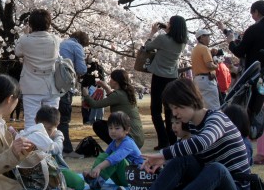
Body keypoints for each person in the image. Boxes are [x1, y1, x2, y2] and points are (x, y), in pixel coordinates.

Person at [142, 78, 250, 190]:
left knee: (217, 169)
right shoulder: (193, 125)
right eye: (172, 108)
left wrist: (164, 154)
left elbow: (203, 142)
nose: (174, 113)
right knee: (183, 159)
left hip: (236, 187)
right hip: (215, 185)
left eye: (176, 107)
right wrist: (166, 161)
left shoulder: (217, 118)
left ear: (189, 100)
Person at [226, 0, 264, 165]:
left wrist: (231, 41)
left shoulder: (255, 29)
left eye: (252, 13)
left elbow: (239, 50)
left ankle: (262, 153)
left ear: (256, 12)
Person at [144, 16, 188, 150]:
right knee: (170, 109)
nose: (167, 24)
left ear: (172, 25)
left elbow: (147, 47)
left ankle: (163, 141)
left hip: (159, 76)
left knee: (155, 110)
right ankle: (172, 139)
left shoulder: (163, 39)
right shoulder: (182, 42)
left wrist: (152, 32)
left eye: (169, 23)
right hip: (172, 77)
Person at [15, 9, 61, 129]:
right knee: (52, 123)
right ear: (48, 24)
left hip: (31, 86)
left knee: (30, 122)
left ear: (31, 24)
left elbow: (17, 52)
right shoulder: (55, 40)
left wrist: (25, 34)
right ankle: (51, 146)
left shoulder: (25, 40)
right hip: (51, 86)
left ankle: (32, 147)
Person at [82, 69, 144, 148]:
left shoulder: (118, 95)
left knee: (98, 125)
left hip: (131, 139)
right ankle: (118, 146)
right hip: (137, 137)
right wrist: (106, 87)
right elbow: (114, 97)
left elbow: (95, 105)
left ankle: (117, 147)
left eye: (111, 79)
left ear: (116, 81)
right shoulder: (126, 93)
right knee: (111, 125)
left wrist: (86, 95)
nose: (109, 81)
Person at [82, 111, 143, 190]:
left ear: (127, 130)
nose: (113, 131)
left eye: (117, 128)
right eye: (110, 128)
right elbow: (105, 156)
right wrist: (94, 169)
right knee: (104, 156)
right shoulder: (114, 142)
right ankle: (94, 177)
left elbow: (115, 158)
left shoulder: (128, 143)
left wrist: (99, 167)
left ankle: (96, 181)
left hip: (135, 178)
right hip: (123, 178)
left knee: (116, 159)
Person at [35, 105, 85, 190]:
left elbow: (57, 148)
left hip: (57, 170)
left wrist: (44, 144)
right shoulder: (34, 134)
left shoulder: (58, 134)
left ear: (57, 125)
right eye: (42, 128)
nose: (45, 132)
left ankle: (59, 185)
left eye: (49, 129)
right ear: (35, 122)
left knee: (79, 183)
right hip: (38, 172)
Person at [58, 31, 89, 158]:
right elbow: (82, 69)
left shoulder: (61, 43)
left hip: (52, 84)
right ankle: (66, 149)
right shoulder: (77, 47)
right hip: (65, 85)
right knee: (64, 118)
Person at [191, 29, 220, 110]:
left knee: (203, 108)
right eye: (207, 36)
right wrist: (216, 65)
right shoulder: (204, 48)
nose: (209, 38)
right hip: (206, 80)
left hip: (198, 80)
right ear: (201, 37)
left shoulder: (195, 49)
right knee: (214, 108)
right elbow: (209, 65)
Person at [81, 57, 105, 124]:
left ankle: (87, 120)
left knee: (86, 104)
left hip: (88, 87)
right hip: (94, 87)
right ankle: (93, 119)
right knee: (93, 105)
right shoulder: (99, 68)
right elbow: (102, 79)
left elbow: (83, 78)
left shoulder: (87, 68)